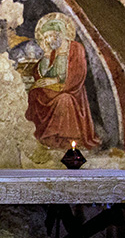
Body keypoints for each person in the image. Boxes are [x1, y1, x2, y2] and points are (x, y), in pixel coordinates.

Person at [24, 12, 100, 149]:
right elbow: (39, 74)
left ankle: (67, 140)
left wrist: (53, 82)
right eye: (45, 38)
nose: (48, 40)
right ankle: (42, 136)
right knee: (34, 93)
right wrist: (46, 56)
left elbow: (78, 74)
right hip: (51, 91)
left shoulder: (76, 48)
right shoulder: (52, 51)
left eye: (50, 36)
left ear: (60, 33)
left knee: (64, 100)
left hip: (71, 91)